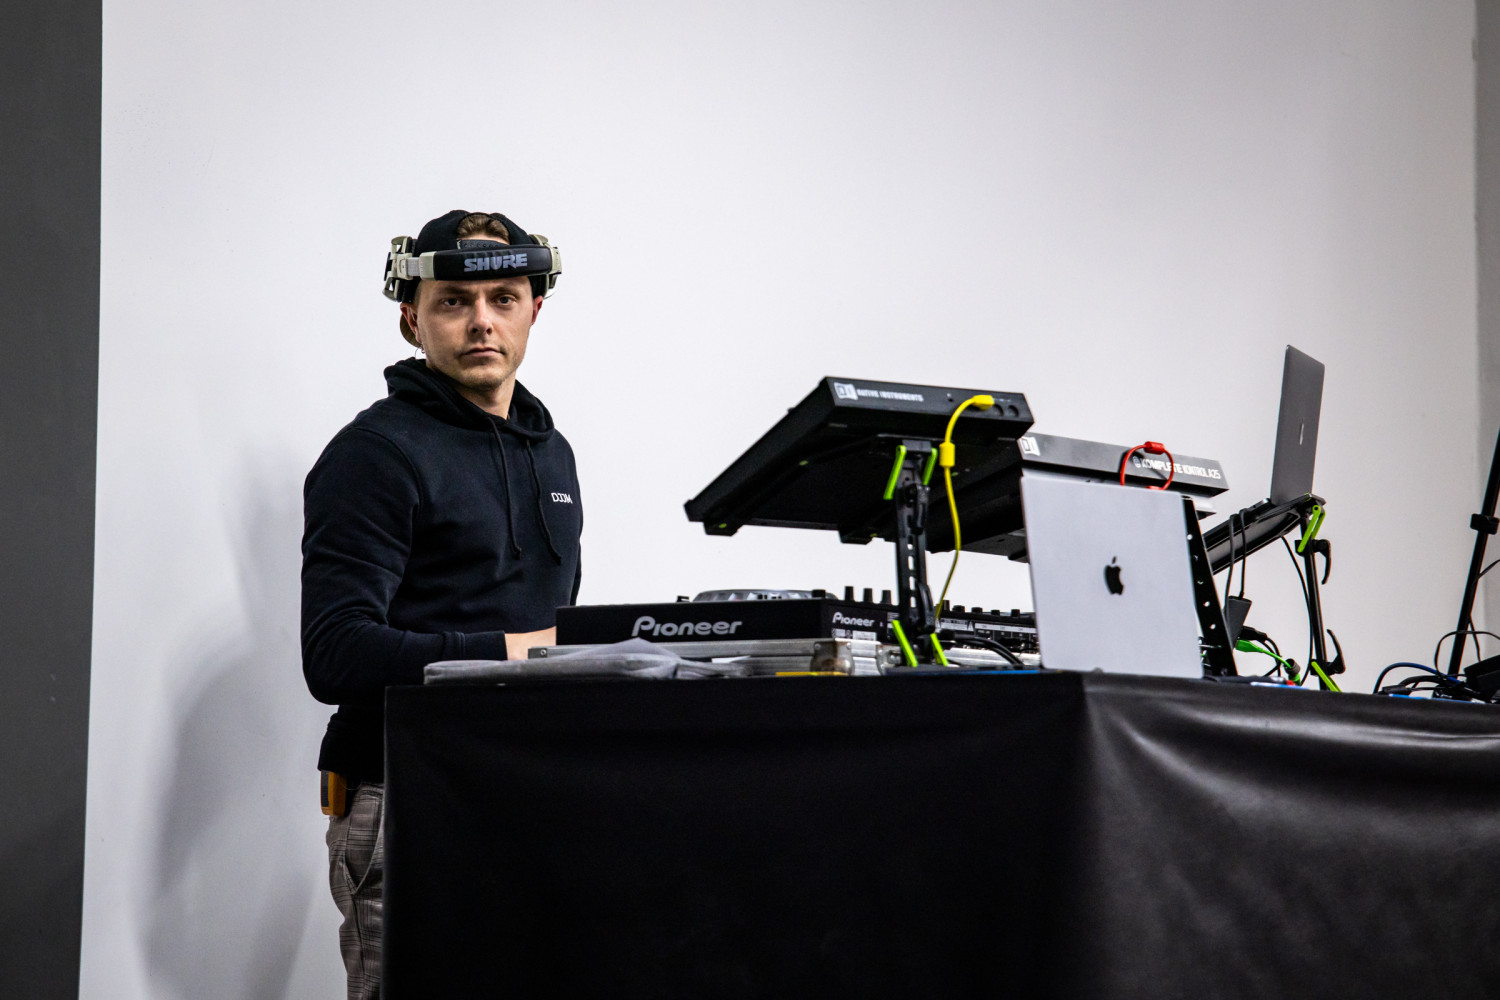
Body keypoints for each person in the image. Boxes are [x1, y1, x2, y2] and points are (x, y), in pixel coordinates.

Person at [301, 209, 581, 999]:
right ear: (411, 319)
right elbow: (335, 653)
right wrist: (515, 654)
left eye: (503, 299)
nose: (481, 321)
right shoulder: (374, 455)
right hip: (405, 798)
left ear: (534, 310)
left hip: (525, 788)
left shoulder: (553, 455)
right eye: (453, 301)